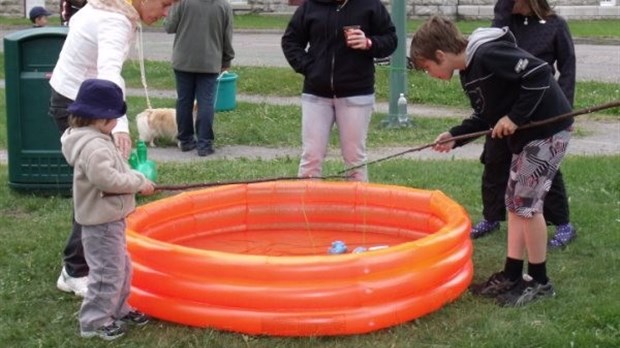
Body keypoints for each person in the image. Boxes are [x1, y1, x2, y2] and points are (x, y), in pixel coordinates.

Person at [410, 16, 573, 306]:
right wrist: (455, 136)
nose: (429, 73)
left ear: (440, 55)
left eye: (427, 67)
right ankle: (512, 274)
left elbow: (538, 72)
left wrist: (514, 118)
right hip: (527, 136)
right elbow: (486, 115)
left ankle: (539, 281)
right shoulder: (469, 71)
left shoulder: (488, 54)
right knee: (514, 204)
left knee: (527, 207)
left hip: (547, 131)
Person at [49, 0, 177, 298]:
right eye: (165, 3)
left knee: (94, 186)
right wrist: (118, 126)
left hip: (74, 97)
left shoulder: (112, 7)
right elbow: (108, 73)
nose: (166, 12)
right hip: (81, 105)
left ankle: (88, 260)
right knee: (97, 190)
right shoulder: (114, 20)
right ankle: (76, 270)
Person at [470, 0, 577, 249]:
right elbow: (493, 38)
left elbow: (568, 68)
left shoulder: (556, 26)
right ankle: (491, 217)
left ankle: (562, 223)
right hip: (505, 109)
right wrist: (504, 10)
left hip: (539, 109)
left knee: (541, 169)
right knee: (495, 161)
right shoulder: (506, 24)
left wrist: (561, 110)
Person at [61, 79, 155, 340]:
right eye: (115, 118)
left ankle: (119, 309)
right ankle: (94, 321)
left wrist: (135, 176)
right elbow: (106, 179)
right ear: (102, 118)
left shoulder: (98, 138)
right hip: (101, 223)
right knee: (106, 273)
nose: (116, 123)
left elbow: (115, 172)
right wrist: (138, 182)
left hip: (110, 218)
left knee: (121, 268)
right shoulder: (94, 147)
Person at [281, 0, 397, 181]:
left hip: (356, 93)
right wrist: (310, 68)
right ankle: (306, 206)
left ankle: (358, 206)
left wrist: (369, 43)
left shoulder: (370, 5)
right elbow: (290, 41)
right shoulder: (310, 6)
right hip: (316, 93)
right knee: (311, 156)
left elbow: (390, 39)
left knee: (354, 158)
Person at [164, 0, 235, 157]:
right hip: (210, 62)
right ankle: (204, 143)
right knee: (206, 102)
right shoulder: (223, 6)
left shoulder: (182, 2)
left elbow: (169, 27)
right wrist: (227, 59)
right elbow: (227, 37)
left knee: (184, 101)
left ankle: (186, 140)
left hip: (183, 61)